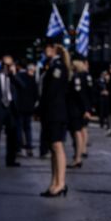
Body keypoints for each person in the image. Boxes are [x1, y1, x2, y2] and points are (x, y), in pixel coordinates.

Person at [39, 42, 71, 197]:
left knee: (57, 146)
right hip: (50, 112)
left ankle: (61, 183)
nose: (45, 50)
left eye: (47, 47)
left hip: (56, 112)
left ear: (53, 49)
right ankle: (54, 182)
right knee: (52, 147)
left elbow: (52, 92)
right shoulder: (51, 65)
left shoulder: (58, 67)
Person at [0, 55, 21, 167]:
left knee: (12, 135)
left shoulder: (13, 76)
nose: (7, 67)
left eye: (9, 64)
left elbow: (22, 87)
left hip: (10, 107)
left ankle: (10, 159)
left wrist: (13, 75)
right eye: (5, 64)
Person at [67, 58, 91, 168]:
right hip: (82, 107)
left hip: (75, 108)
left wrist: (85, 109)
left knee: (76, 132)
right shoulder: (86, 76)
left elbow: (79, 93)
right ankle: (80, 154)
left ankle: (78, 157)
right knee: (81, 130)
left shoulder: (76, 77)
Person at [15, 62, 38, 158]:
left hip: (22, 107)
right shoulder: (32, 80)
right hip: (26, 107)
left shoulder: (22, 77)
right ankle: (26, 147)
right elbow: (36, 95)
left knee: (22, 128)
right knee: (26, 128)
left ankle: (22, 148)